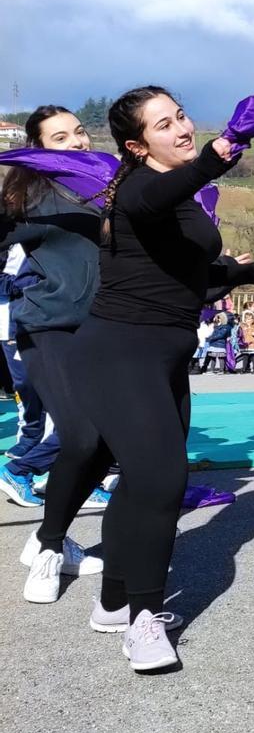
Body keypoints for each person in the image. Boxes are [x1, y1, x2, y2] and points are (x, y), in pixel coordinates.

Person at [70, 85, 254, 671]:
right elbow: (156, 199)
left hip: (164, 353)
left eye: (181, 115)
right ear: (137, 145)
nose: (181, 128)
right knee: (162, 480)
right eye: (164, 125)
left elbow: (184, 280)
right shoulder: (138, 189)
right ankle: (143, 620)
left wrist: (235, 274)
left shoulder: (180, 197)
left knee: (140, 482)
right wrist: (221, 148)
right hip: (118, 353)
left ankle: (112, 603)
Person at [0, 105, 111, 606]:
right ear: (39, 149)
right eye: (60, 136)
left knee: (107, 441)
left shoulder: (109, 188)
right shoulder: (32, 196)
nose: (77, 141)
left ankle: (52, 535)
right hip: (49, 328)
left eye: (80, 131)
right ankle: (47, 548)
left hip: (107, 330)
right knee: (81, 438)